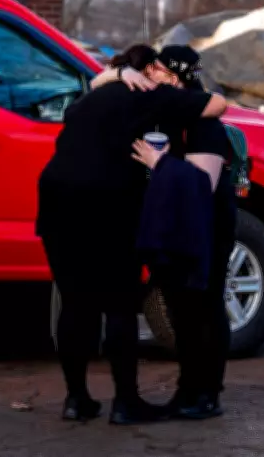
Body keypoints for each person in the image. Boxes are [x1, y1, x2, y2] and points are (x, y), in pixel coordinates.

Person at [36, 44, 231, 426]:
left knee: (74, 304)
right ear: (145, 74)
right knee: (120, 304)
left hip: (57, 203)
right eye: (155, 69)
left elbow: (89, 93)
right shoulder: (154, 97)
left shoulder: (93, 97)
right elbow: (217, 104)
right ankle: (126, 403)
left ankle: (77, 400)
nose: (159, 76)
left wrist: (117, 75)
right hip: (107, 206)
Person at [124, 45, 237, 419]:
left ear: (176, 77)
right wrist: (122, 73)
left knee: (204, 305)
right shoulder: (164, 112)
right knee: (178, 308)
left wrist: (160, 163)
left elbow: (202, 184)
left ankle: (208, 393)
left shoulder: (204, 123)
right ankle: (187, 389)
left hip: (206, 225)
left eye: (157, 70)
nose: (150, 75)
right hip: (174, 223)